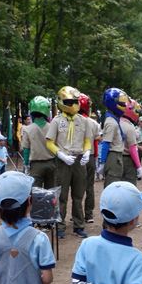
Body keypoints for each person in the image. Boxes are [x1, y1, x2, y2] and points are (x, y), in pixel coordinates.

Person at [46, 86, 92, 239]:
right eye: (69, 101)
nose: (73, 104)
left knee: (79, 195)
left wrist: (86, 151)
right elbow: (49, 142)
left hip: (79, 161)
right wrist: (60, 154)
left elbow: (87, 140)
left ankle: (79, 225)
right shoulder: (56, 121)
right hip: (63, 161)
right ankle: (60, 226)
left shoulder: (83, 121)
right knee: (62, 196)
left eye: (75, 101)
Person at [99, 89, 142, 188]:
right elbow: (132, 148)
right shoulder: (116, 123)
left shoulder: (116, 121)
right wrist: (139, 166)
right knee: (118, 187)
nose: (124, 106)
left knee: (116, 186)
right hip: (118, 158)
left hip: (118, 157)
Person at [23, 96, 56, 189]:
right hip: (51, 164)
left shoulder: (27, 129)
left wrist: (26, 165)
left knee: (36, 192)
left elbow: (26, 149)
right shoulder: (52, 127)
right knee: (51, 191)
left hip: (36, 165)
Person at [79, 93, 101, 223]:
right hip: (91, 156)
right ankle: (89, 214)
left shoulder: (73, 121)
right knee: (89, 186)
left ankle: (77, 214)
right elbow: (98, 138)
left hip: (77, 157)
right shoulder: (94, 123)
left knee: (77, 187)